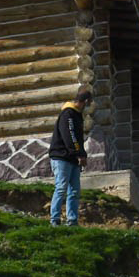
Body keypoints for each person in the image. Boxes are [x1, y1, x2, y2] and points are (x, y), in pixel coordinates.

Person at [46, 87, 93, 227]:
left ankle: (72, 220)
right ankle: (54, 219)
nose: (89, 106)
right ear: (84, 101)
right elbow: (70, 136)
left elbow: (78, 139)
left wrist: (81, 154)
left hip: (72, 158)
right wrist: (78, 153)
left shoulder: (77, 115)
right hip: (61, 157)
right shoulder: (68, 114)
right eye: (89, 103)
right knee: (61, 187)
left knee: (74, 190)